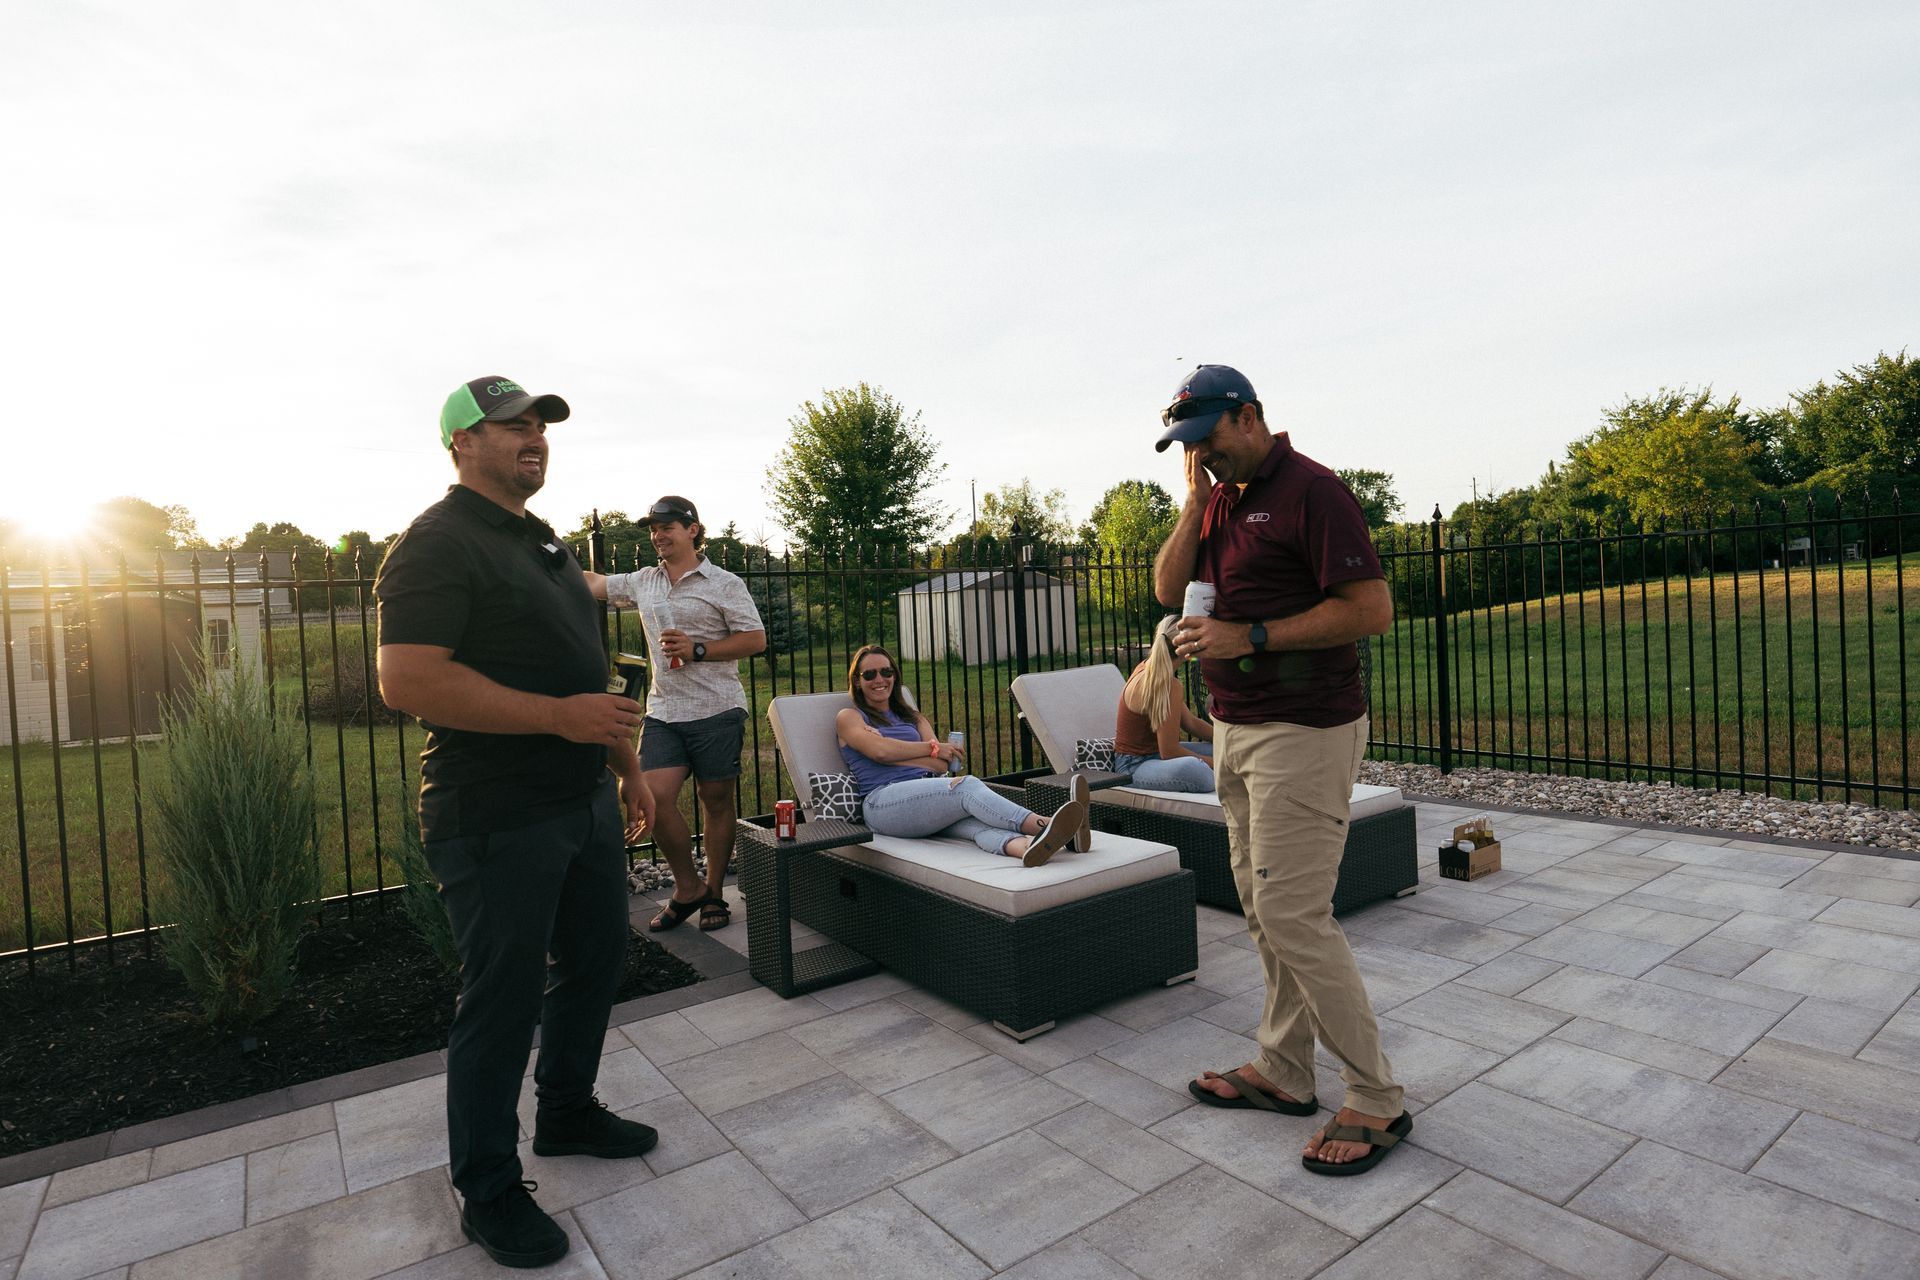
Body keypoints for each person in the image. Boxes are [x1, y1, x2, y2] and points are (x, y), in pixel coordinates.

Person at [376, 374, 660, 1269]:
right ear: (461, 442)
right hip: (495, 812)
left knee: (598, 957)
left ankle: (567, 1112)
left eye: (538, 425)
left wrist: (623, 767)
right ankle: (488, 1189)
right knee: (500, 1001)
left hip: (578, 798)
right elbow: (408, 680)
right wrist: (558, 720)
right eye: (509, 426)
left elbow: (580, 670)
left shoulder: (539, 541)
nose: (532, 437)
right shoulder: (436, 545)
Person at [1151, 363, 1410, 1177]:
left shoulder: (1313, 491)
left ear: (1251, 416)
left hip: (1305, 730)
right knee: (1264, 911)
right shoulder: (1218, 501)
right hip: (1235, 730)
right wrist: (1195, 502)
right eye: (1188, 447)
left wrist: (1250, 637)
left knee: (1296, 914)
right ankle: (1285, 1070)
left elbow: (1371, 610)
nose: (1203, 455)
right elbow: (1164, 588)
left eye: (1209, 439)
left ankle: (1375, 1096)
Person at [586, 497, 765, 933]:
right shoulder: (644, 581)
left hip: (717, 707)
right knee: (653, 796)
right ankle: (689, 887)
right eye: (653, 528)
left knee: (716, 800)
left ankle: (716, 892)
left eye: (668, 527)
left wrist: (699, 650)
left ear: (693, 530)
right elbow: (590, 582)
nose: (659, 535)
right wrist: (542, 550)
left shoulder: (723, 583)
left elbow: (755, 639)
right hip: (665, 710)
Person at [835, 644, 1089, 867]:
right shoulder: (850, 717)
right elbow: (880, 752)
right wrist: (928, 748)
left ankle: (1027, 848)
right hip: (882, 803)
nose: (880, 679)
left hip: (924, 795)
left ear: (894, 675)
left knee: (975, 823)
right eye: (869, 674)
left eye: (886, 672)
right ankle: (1046, 825)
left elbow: (939, 763)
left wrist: (897, 754)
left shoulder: (913, 717)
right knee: (966, 785)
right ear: (857, 681)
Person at [1114, 614, 1216, 792]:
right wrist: (1222, 766)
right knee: (1198, 771)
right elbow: (1169, 752)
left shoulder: (1151, 669)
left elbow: (1190, 723)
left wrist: (1228, 741)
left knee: (1224, 751)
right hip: (1133, 767)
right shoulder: (1166, 685)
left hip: (1154, 757)